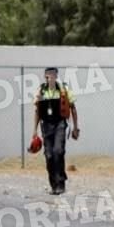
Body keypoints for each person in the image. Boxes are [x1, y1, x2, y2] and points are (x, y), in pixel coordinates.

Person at [32, 67, 80, 195]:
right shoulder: (41, 91)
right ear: (45, 77)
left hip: (60, 124)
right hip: (46, 125)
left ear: (56, 76)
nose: (50, 78)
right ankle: (54, 184)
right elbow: (37, 111)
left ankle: (61, 183)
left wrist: (75, 127)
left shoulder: (64, 89)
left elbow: (73, 108)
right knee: (49, 155)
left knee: (58, 151)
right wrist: (34, 131)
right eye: (48, 76)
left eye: (52, 75)